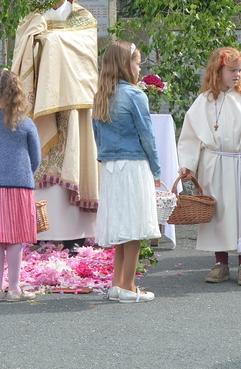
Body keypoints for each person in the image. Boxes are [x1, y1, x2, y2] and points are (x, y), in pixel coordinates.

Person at [11, 0, 99, 247]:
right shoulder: (31, 19)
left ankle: (74, 234)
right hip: (38, 103)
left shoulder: (83, 18)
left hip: (73, 105)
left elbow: (84, 56)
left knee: (72, 157)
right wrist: (35, 38)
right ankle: (39, 233)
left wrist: (49, 40)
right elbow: (20, 56)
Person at [178, 46, 241, 287]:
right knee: (217, 215)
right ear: (218, 71)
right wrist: (188, 165)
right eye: (232, 70)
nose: (237, 75)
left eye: (240, 70)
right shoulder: (204, 101)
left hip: (240, 164)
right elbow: (191, 136)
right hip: (213, 164)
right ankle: (221, 264)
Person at [93, 42, 162, 303]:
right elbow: (147, 136)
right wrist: (156, 169)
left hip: (110, 167)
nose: (139, 68)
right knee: (133, 227)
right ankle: (129, 287)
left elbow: (97, 135)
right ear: (125, 64)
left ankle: (117, 284)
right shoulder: (135, 95)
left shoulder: (101, 95)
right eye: (137, 62)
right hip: (133, 165)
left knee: (121, 226)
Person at [0, 69, 41, 303]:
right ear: (16, 92)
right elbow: (36, 158)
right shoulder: (26, 123)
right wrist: (24, 173)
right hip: (20, 185)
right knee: (15, 239)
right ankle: (14, 288)